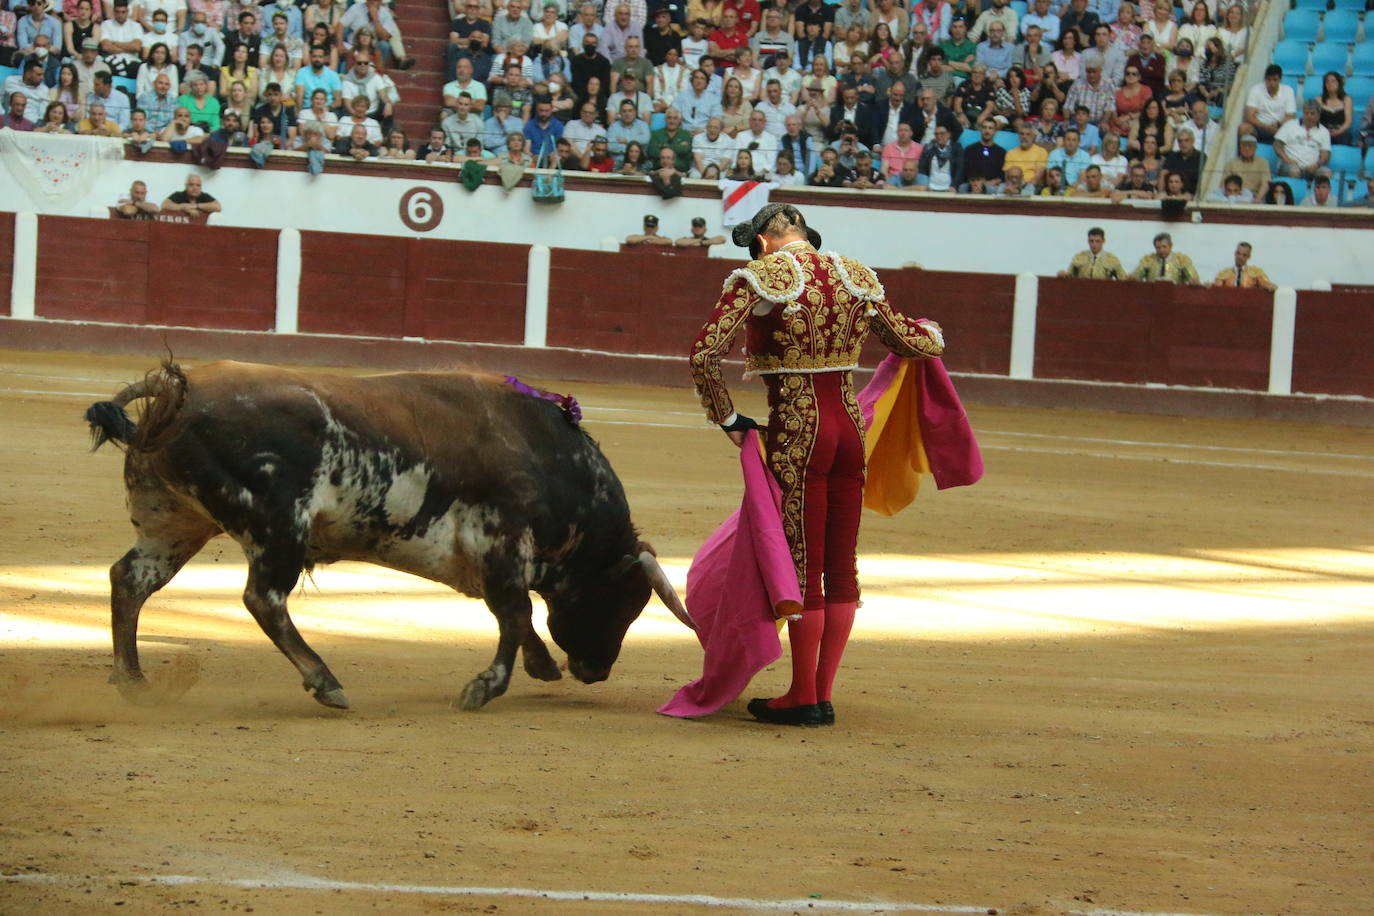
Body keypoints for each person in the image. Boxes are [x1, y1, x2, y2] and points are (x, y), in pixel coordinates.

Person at [688, 203, 945, 727]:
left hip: (798, 431)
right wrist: (932, 331)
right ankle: (821, 693)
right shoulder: (856, 275)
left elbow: (704, 354)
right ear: (807, 235)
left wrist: (730, 418)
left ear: (761, 242)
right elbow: (917, 344)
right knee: (840, 563)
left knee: (803, 563)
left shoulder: (759, 276)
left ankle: (803, 695)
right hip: (851, 431)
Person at [1274, 101, 1330, 181]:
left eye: (1312, 113)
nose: (1309, 116)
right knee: (1295, 171)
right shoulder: (1290, 125)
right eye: (1306, 113)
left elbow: (1326, 154)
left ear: (1318, 115)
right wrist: (1286, 159)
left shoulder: (1324, 131)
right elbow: (1277, 145)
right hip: (1290, 165)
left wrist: (1317, 165)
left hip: (1313, 168)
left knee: (1326, 173)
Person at [1240, 64, 1295, 144]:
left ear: (1280, 79)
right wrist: (1266, 127)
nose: (1271, 83)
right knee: (1243, 128)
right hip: (1260, 127)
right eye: (1269, 80)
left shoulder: (1288, 91)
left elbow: (1291, 116)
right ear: (1265, 79)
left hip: (1279, 128)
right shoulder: (1256, 90)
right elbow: (1249, 116)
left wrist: (1278, 124)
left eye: (1274, 80)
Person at [1132, 232, 1199, 284]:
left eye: (1164, 247)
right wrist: (1134, 277)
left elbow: (1193, 278)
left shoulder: (1181, 259)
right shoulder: (1149, 260)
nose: (1161, 250)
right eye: (1158, 248)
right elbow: (1137, 275)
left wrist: (1193, 281)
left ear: (1170, 246)